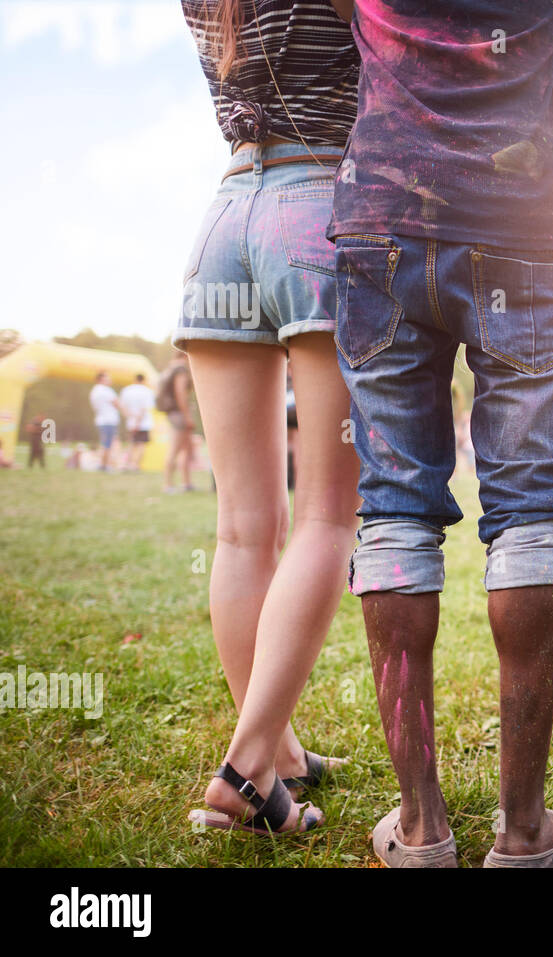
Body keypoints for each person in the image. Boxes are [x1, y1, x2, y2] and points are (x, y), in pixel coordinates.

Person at [332, 0, 553, 867]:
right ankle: (524, 834)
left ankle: (419, 831)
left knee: (394, 510)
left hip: (381, 214)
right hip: (519, 217)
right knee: (530, 507)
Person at [180, 0, 360, 837]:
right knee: (330, 511)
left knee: (243, 528)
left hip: (224, 218)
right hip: (319, 202)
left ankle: (278, 748)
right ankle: (247, 772)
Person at [157, 353, 197, 492]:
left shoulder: (169, 369)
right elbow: (181, 394)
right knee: (175, 449)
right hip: (179, 413)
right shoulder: (180, 370)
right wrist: (187, 416)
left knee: (185, 448)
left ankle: (186, 483)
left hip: (173, 412)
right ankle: (168, 484)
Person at [119, 374, 156, 472]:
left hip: (131, 422)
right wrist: (138, 421)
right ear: (143, 380)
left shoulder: (127, 390)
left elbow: (122, 406)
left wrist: (130, 417)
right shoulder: (147, 391)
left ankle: (126, 464)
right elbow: (145, 408)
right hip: (143, 423)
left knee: (131, 443)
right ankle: (135, 465)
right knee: (141, 445)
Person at [88, 371, 121, 471]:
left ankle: (103, 464)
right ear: (101, 379)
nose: (110, 380)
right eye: (108, 378)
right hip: (109, 420)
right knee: (108, 444)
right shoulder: (106, 390)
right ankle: (105, 465)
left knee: (105, 443)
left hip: (101, 420)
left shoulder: (94, 391)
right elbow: (117, 403)